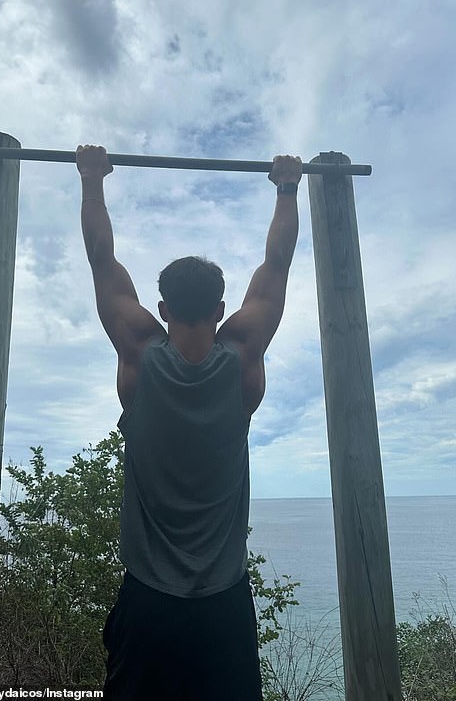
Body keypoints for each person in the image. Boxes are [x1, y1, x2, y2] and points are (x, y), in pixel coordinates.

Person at [77, 145, 303, 701]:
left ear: (161, 307)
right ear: (222, 309)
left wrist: (91, 179)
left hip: (148, 602)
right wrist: (287, 188)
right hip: (223, 603)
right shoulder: (243, 359)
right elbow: (277, 266)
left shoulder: (138, 354)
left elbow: (102, 262)